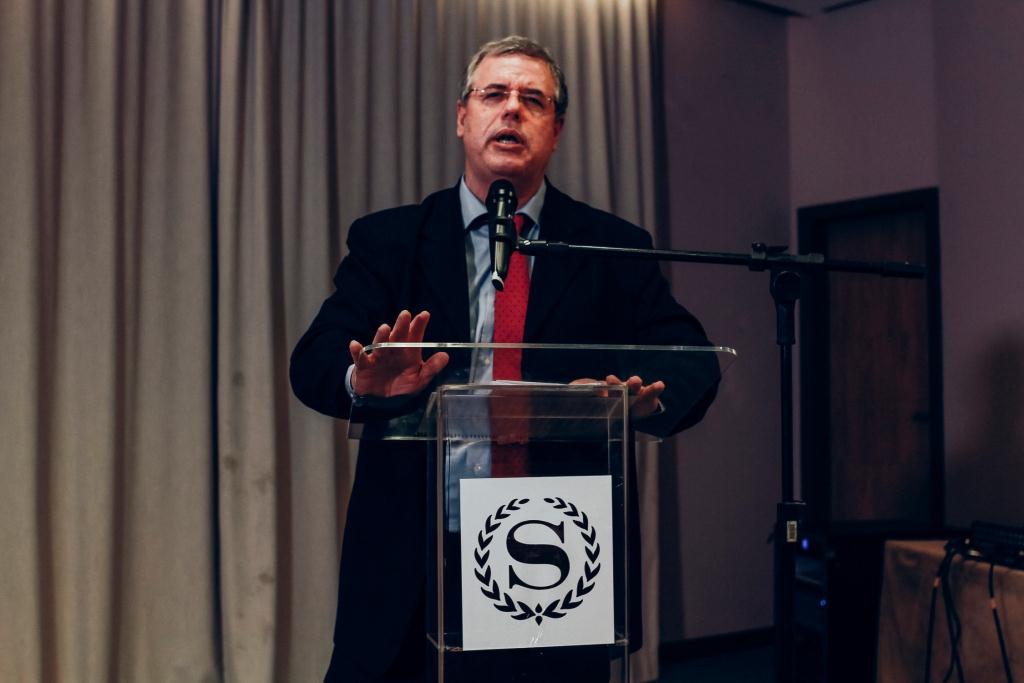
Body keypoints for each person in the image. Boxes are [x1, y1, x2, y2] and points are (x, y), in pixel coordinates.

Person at [290, 35, 718, 683]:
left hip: (552, 557)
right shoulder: (391, 239)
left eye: (533, 100)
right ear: (463, 117)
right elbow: (314, 359)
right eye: (494, 94)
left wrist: (638, 395)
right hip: (414, 556)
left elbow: (693, 358)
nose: (512, 109)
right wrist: (363, 379)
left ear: (557, 129)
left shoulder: (610, 246)